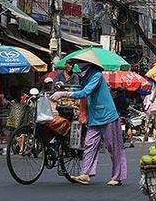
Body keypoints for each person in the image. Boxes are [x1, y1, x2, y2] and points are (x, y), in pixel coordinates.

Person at [50, 58, 126, 186]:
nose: (78, 65)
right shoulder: (85, 77)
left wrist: (63, 94)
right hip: (94, 117)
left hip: (107, 116)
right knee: (89, 144)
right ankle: (85, 174)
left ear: (89, 64)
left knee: (113, 146)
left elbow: (85, 92)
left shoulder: (97, 76)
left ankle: (117, 176)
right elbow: (79, 89)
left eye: (80, 63)